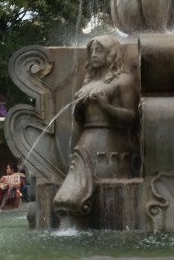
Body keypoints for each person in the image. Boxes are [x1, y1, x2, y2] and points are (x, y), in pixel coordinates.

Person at [54, 35, 138, 215]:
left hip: (111, 145)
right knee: (73, 193)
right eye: (91, 51)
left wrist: (106, 107)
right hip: (84, 144)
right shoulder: (89, 82)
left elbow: (132, 117)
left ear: (111, 53)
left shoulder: (123, 80)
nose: (93, 55)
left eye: (99, 50)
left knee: (84, 193)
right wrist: (79, 108)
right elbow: (80, 119)